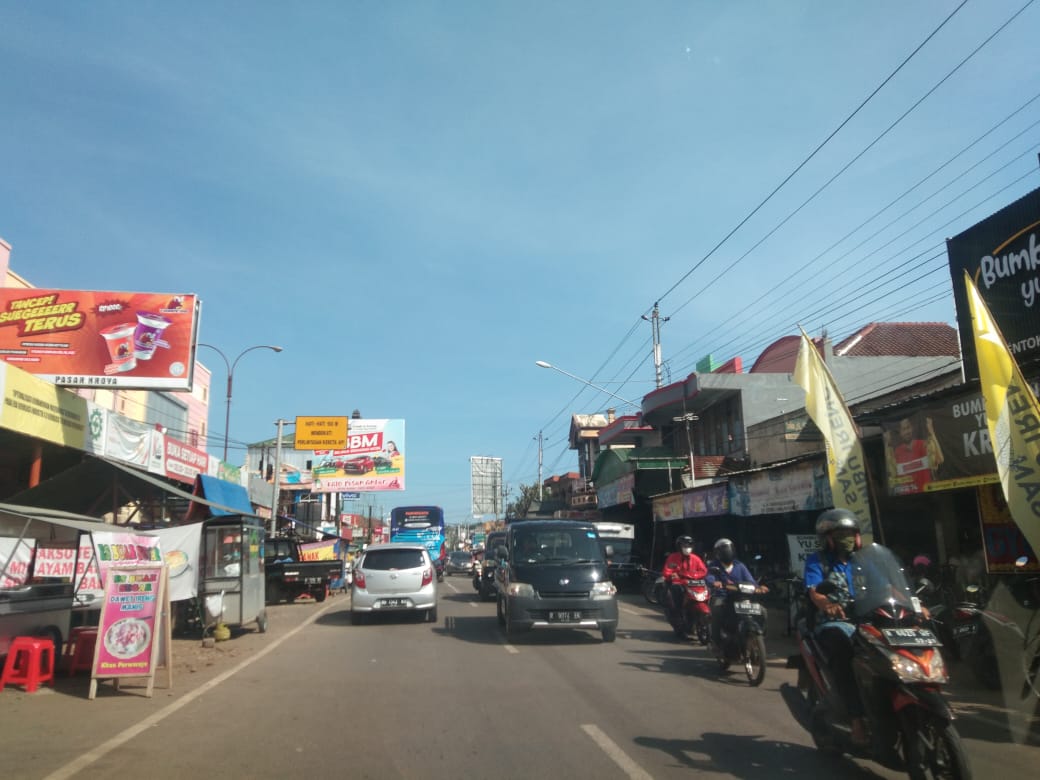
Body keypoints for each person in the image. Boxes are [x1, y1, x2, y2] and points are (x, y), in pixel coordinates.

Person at [803, 508, 869, 747]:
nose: (848, 538)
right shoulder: (817, 561)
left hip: (867, 621)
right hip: (833, 623)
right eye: (841, 533)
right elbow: (813, 592)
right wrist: (826, 604)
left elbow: (888, 586)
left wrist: (914, 604)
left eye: (851, 533)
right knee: (845, 654)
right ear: (828, 537)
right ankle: (856, 718)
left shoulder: (864, 561)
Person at [706, 538, 765, 649]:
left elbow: (750, 580)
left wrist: (758, 588)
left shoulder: (739, 565)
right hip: (722, 596)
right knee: (717, 611)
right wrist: (714, 582)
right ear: (718, 553)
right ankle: (716, 642)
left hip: (742, 596)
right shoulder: (714, 566)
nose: (727, 552)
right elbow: (709, 577)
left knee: (762, 612)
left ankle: (758, 638)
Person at [662, 535, 708, 635]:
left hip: (694, 585)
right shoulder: (673, 557)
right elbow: (667, 571)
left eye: (689, 545)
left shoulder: (696, 559)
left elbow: (703, 571)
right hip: (679, 585)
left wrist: (695, 575)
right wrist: (672, 575)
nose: (687, 548)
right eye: (684, 546)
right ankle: (678, 618)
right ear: (679, 547)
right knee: (676, 592)